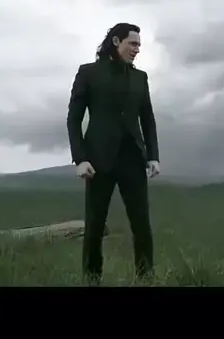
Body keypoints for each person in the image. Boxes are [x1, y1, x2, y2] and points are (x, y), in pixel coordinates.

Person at [66, 23, 160, 284]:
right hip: (98, 161)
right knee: (95, 226)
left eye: (139, 45)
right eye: (133, 44)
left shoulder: (140, 78)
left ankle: (146, 279)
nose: (137, 49)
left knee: (141, 225)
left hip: (133, 159)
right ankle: (92, 280)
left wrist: (153, 156)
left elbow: (148, 118)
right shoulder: (88, 73)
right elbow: (74, 119)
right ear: (116, 41)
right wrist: (80, 158)